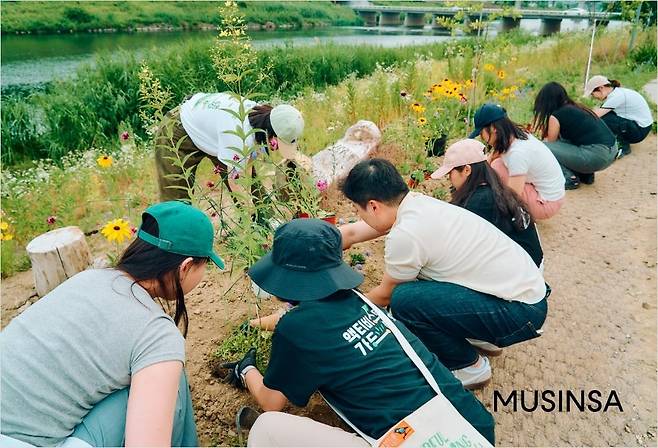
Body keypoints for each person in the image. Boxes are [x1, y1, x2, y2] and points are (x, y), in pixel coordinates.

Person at [222, 218, 495, 446]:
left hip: (413, 439)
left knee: (266, 426)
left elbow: (272, 401)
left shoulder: (295, 329)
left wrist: (247, 371)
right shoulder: (361, 302)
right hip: (472, 428)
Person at [1, 201, 223, 447]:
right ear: (185, 267)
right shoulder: (157, 334)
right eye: (205, 265)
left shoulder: (88, 279)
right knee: (170, 383)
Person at [339, 159, 549, 389]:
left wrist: (343, 314)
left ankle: (469, 366)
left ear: (373, 206)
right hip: (524, 295)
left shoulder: (406, 234)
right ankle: (480, 334)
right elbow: (352, 233)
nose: (359, 216)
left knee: (404, 301)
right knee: (421, 286)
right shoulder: (417, 205)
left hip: (519, 313)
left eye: (357, 210)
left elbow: (385, 295)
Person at [155, 92, 305, 201]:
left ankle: (265, 224)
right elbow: (236, 183)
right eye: (278, 144)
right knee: (176, 197)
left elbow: (247, 167)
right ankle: (176, 241)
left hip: (213, 128)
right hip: (178, 130)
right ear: (271, 133)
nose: (276, 149)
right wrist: (248, 212)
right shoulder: (238, 137)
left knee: (250, 180)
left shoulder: (260, 117)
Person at [431, 138, 544, 268]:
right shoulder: (494, 190)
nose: (449, 179)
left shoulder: (479, 203)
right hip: (529, 262)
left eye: (450, 173)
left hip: (523, 273)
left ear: (467, 170)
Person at [470, 103, 565, 220]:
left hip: (547, 204)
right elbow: (494, 156)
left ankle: (524, 216)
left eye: (481, 133)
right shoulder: (515, 136)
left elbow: (512, 196)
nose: (481, 137)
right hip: (553, 194)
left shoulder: (517, 154)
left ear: (493, 128)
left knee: (496, 172)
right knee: (496, 165)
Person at [532, 82, 618, 189]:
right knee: (565, 143)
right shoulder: (577, 107)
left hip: (597, 156)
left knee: (543, 147)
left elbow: (551, 143)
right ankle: (585, 174)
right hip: (611, 151)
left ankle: (569, 178)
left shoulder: (556, 115)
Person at [584, 75, 653, 157]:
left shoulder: (617, 97)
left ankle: (623, 146)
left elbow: (595, 115)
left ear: (601, 88)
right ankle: (616, 141)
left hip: (639, 131)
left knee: (605, 120)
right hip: (640, 126)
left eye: (592, 94)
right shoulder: (617, 93)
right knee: (607, 117)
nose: (593, 97)